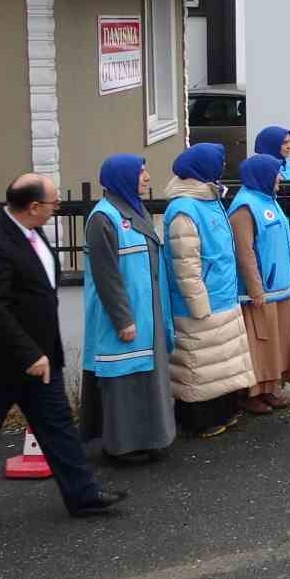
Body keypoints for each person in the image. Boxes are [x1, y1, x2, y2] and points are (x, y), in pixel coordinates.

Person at [0, 174, 128, 533]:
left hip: (41, 360)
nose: (57, 209)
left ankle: (83, 495)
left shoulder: (32, 232)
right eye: (54, 204)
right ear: (33, 206)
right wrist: (28, 352)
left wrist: (42, 352)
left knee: (58, 428)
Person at [80, 154, 175, 463]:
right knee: (123, 383)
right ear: (122, 177)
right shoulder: (102, 218)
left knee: (147, 379)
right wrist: (123, 319)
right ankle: (120, 446)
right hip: (125, 316)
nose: (147, 177)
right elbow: (106, 276)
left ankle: (151, 438)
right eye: (141, 172)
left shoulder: (133, 209)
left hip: (146, 312)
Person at [162, 144, 257, 438]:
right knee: (199, 368)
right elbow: (185, 265)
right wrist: (198, 305)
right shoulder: (184, 210)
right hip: (202, 304)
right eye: (219, 164)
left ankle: (223, 411)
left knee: (220, 367)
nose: (223, 169)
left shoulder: (208, 198)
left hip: (222, 296)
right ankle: (199, 420)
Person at [228, 155, 290, 415]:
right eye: (276, 173)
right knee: (260, 345)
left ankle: (269, 388)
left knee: (275, 343)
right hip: (261, 293)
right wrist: (255, 288)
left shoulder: (267, 200)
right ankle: (251, 393)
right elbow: (245, 252)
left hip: (279, 288)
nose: (280, 178)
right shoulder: (244, 207)